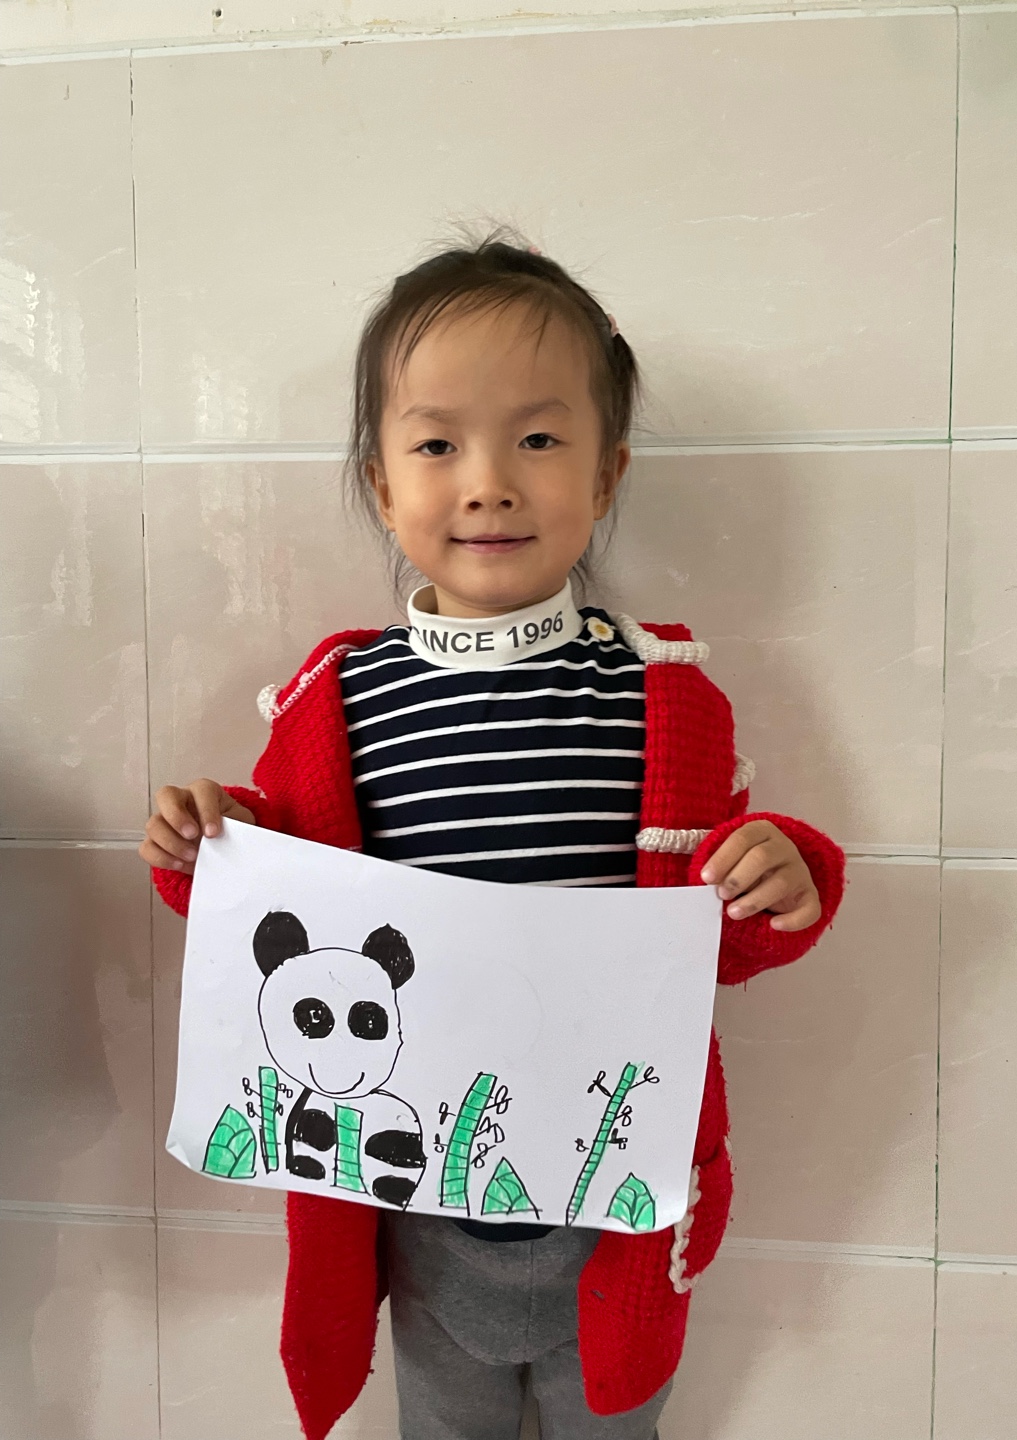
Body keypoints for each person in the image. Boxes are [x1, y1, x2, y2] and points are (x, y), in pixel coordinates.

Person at [140, 234, 845, 1440]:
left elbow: (719, 942)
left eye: (538, 440)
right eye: (436, 446)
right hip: (414, 1201)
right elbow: (272, 922)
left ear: (607, 474)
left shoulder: (661, 699)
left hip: (614, 1211)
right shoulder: (333, 707)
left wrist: (783, 873)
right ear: (380, 484)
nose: (488, 483)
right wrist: (209, 843)